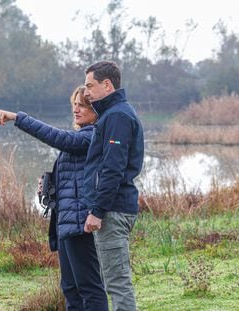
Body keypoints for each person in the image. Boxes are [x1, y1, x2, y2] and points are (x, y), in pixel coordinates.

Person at [0, 86, 109, 311]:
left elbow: (58, 138)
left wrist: (16, 118)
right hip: (66, 220)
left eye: (82, 105)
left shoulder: (93, 135)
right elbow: (76, 175)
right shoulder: (81, 136)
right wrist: (51, 185)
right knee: (70, 288)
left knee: (89, 288)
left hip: (81, 222)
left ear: (97, 110)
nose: (76, 110)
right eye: (74, 105)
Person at [82, 60, 144, 311]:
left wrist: (97, 210)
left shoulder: (117, 115)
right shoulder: (111, 114)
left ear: (107, 85)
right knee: (114, 281)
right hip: (115, 207)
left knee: (117, 283)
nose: (86, 92)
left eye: (90, 85)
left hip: (113, 210)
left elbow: (113, 168)